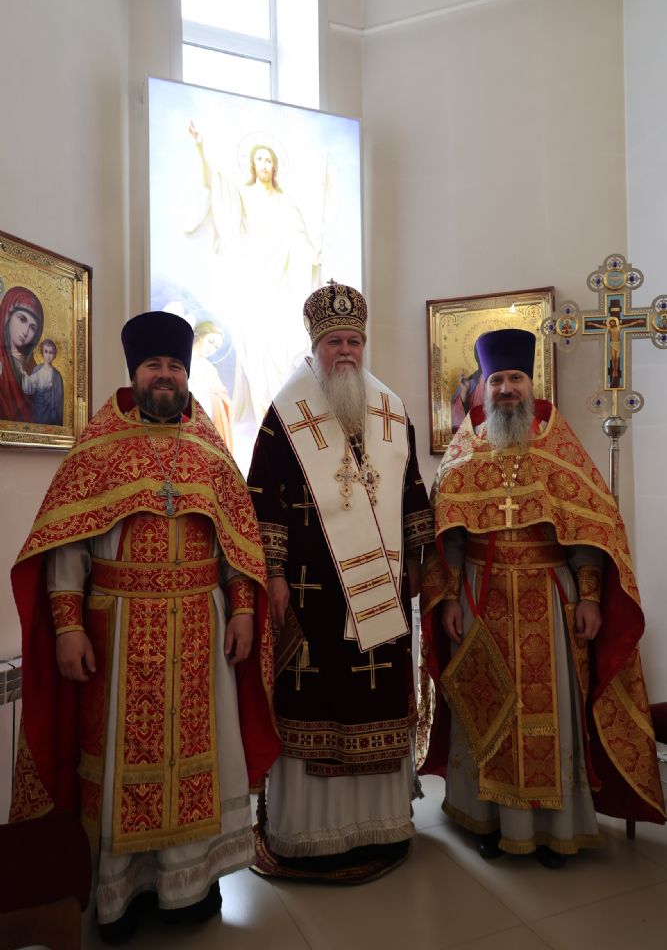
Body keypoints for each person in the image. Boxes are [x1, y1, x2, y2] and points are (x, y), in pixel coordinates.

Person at [10, 311, 280, 943]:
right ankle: (123, 895)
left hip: (201, 628)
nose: (166, 375)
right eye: (155, 365)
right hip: (119, 631)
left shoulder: (209, 447)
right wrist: (67, 626)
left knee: (201, 758)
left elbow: (236, 544)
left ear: (186, 375)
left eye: (175, 366)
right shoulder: (98, 446)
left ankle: (190, 887)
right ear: (135, 372)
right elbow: (66, 548)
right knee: (116, 767)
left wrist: (243, 610)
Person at [419, 327, 666, 868]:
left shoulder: (560, 447)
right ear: (482, 387)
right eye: (496, 380)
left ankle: (555, 829)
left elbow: (591, 534)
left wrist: (591, 599)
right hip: (481, 598)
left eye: (515, 378)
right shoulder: (463, 451)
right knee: (485, 708)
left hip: (548, 600)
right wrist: (451, 598)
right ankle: (487, 819)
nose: (506, 388)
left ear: (531, 384)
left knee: (550, 713)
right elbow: (447, 536)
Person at [247, 281, 433, 882]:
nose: (346, 351)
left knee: (378, 698)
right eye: (335, 342)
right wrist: (274, 574)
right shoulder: (285, 415)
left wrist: (420, 563)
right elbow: (263, 500)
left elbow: (412, 492)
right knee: (315, 703)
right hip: (311, 598)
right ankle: (308, 836)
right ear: (316, 346)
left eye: (354, 340)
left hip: (383, 597)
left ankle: (381, 826)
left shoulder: (389, 409)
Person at [187, 125, 320, 427]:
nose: (264, 164)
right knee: (256, 352)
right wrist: (200, 147)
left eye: (268, 160)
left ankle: (284, 418)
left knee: (282, 350)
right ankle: (264, 420)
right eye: (259, 159)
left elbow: (300, 238)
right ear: (252, 164)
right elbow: (213, 185)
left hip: (282, 286)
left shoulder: (287, 202)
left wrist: (308, 254)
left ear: (275, 166)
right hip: (255, 284)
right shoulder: (242, 194)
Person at [0, 285, 44, 423]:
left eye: (33, 328)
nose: (25, 332)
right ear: (8, 316)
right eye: (22, 319)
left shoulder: (33, 368)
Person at [188, 320, 234, 450]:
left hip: (203, 418)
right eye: (210, 341)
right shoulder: (181, 359)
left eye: (216, 347)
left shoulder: (209, 368)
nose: (212, 348)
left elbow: (220, 393)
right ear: (200, 335)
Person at [23, 338, 65, 425]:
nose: (48, 356)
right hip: (37, 410)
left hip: (50, 413)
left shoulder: (57, 376)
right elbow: (30, 389)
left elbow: (58, 401)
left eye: (51, 352)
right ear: (42, 353)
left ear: (54, 354)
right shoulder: (37, 369)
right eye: (46, 352)